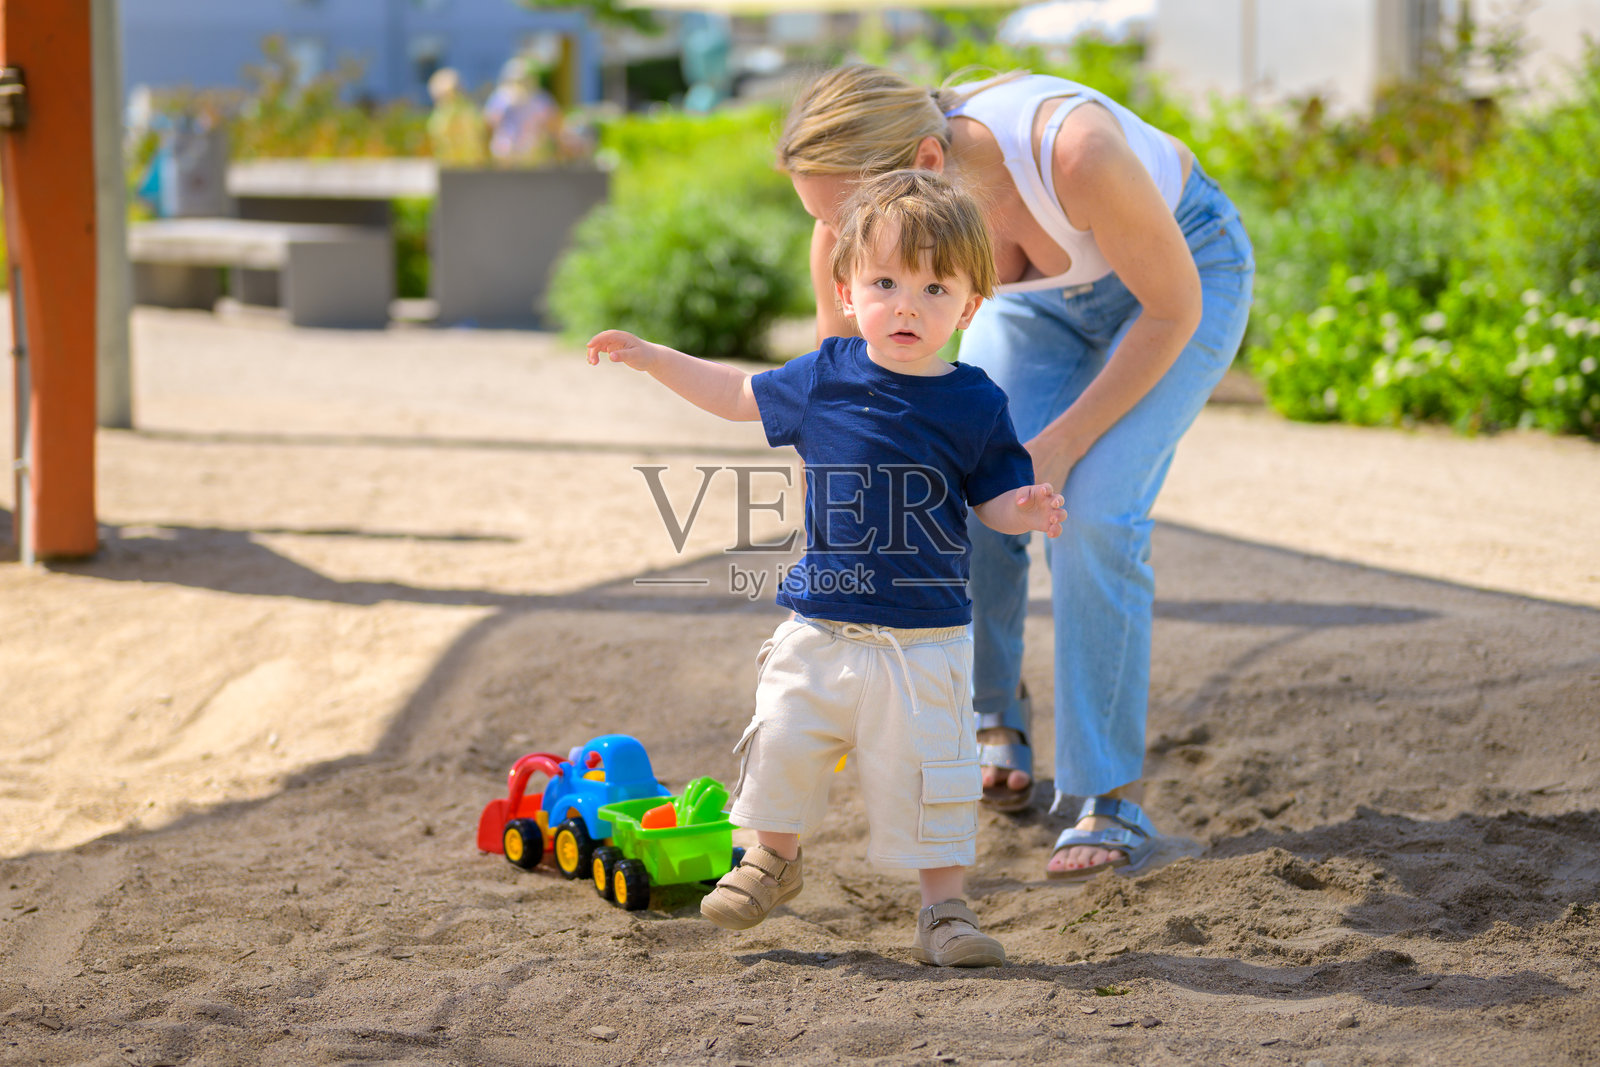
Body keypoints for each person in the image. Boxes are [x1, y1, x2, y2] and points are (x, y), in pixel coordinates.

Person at [777, 66, 1256, 880]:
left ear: (927, 165)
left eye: (846, 215)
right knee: (966, 489)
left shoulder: (1075, 152)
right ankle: (994, 714)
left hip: (1184, 283)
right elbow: (853, 389)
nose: (836, 238)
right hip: (1037, 308)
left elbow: (1174, 307)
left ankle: (1109, 793)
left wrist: (1062, 443)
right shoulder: (857, 209)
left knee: (1096, 515)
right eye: (825, 221)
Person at [586, 170, 1068, 966]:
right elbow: (739, 392)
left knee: (931, 779)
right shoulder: (826, 374)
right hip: (821, 625)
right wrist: (656, 358)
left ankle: (944, 911)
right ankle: (771, 859)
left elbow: (994, 501)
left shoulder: (975, 402)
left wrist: (1027, 508)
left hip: (925, 642)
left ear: (970, 306)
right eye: (885, 281)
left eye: (934, 287)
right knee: (781, 738)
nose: (906, 304)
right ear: (847, 290)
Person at [483, 58, 561, 165]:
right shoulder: (500, 97)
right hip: (505, 154)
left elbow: (554, 125)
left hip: (532, 154)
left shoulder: (540, 99)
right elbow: (489, 123)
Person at [425, 68, 488, 167]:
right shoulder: (469, 108)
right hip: (473, 164)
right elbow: (481, 130)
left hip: (453, 165)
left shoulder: (444, 113)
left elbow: (438, 134)